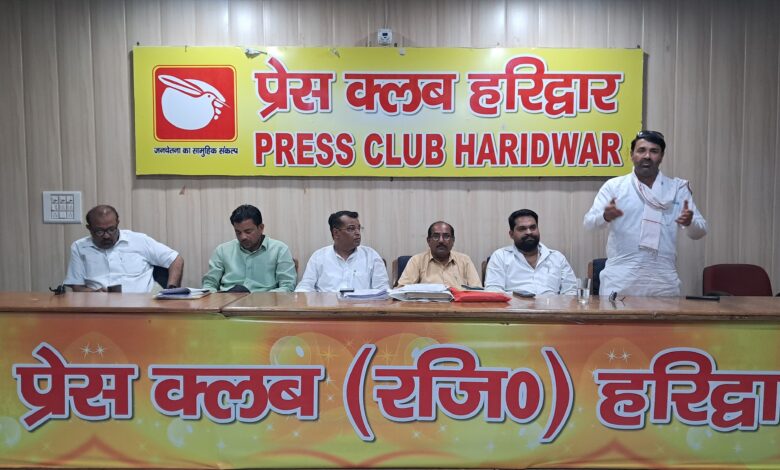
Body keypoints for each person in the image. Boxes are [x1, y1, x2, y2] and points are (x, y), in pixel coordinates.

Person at [583, 130, 707, 296]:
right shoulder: (615, 187)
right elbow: (589, 223)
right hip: (620, 281)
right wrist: (605, 216)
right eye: (641, 150)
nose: (647, 156)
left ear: (661, 156)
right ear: (631, 155)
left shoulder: (676, 189)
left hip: (662, 282)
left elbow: (700, 232)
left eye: (654, 151)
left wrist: (690, 222)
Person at [64, 204, 183, 292]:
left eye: (111, 230)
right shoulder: (79, 247)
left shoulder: (139, 240)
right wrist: (93, 293)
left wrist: (171, 290)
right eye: (99, 231)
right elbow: (77, 287)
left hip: (141, 308)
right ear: (89, 228)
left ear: (117, 223)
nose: (106, 236)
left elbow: (175, 259)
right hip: (99, 307)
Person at [202, 204, 296, 292]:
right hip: (228, 301)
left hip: (264, 301)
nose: (243, 237)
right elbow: (209, 284)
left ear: (261, 228)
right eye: (238, 232)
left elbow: (287, 287)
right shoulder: (222, 250)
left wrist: (263, 299)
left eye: (248, 232)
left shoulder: (280, 250)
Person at [484, 209, 577, 295]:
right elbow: (494, 291)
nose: (529, 232)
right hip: (514, 307)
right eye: (522, 229)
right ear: (511, 234)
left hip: (552, 307)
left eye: (533, 227)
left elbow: (570, 292)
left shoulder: (557, 258)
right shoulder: (500, 257)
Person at [295, 211, 389, 292]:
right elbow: (305, 287)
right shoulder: (318, 257)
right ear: (336, 233)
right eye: (351, 228)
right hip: (327, 306)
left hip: (362, 307)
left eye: (358, 228)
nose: (357, 233)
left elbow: (382, 290)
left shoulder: (371, 256)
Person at [396, 221, 481, 288]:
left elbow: (477, 291)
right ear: (428, 241)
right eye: (436, 236)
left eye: (446, 236)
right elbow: (401, 290)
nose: (441, 240)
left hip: (458, 305)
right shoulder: (417, 261)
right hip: (427, 305)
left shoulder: (464, 260)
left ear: (453, 241)